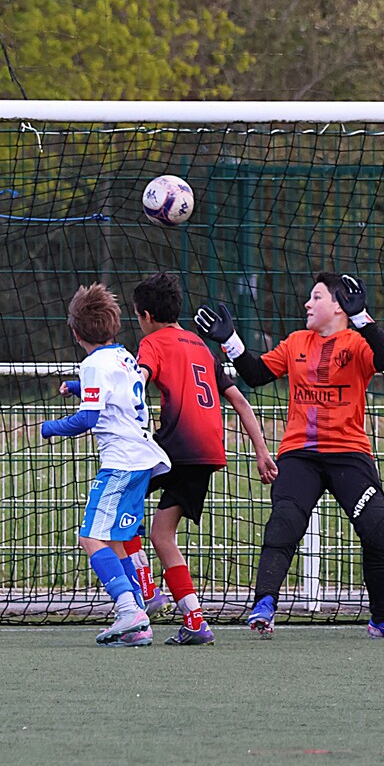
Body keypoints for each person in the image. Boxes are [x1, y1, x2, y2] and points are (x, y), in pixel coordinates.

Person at [193, 272, 384, 639]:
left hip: (349, 454)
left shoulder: (358, 342)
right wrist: (230, 341)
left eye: (316, 297)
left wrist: (362, 318)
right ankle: (264, 604)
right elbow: (256, 375)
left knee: (379, 527)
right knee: (284, 521)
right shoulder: (296, 342)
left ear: (338, 305)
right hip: (300, 454)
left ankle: (383, 619)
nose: (307, 304)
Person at [124, 272, 278, 645]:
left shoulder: (152, 342)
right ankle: (195, 621)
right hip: (207, 453)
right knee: (162, 534)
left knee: (115, 501)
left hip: (174, 448)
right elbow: (239, 401)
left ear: (146, 315)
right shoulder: (200, 345)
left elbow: (137, 382)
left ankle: (145, 588)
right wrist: (262, 451)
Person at [41, 284, 170, 647]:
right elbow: (115, 392)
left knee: (89, 537)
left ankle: (128, 610)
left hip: (121, 464)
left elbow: (87, 419)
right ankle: (138, 618)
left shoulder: (93, 364)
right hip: (142, 459)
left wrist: (50, 427)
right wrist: (76, 386)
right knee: (115, 540)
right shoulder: (123, 356)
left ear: (75, 332)